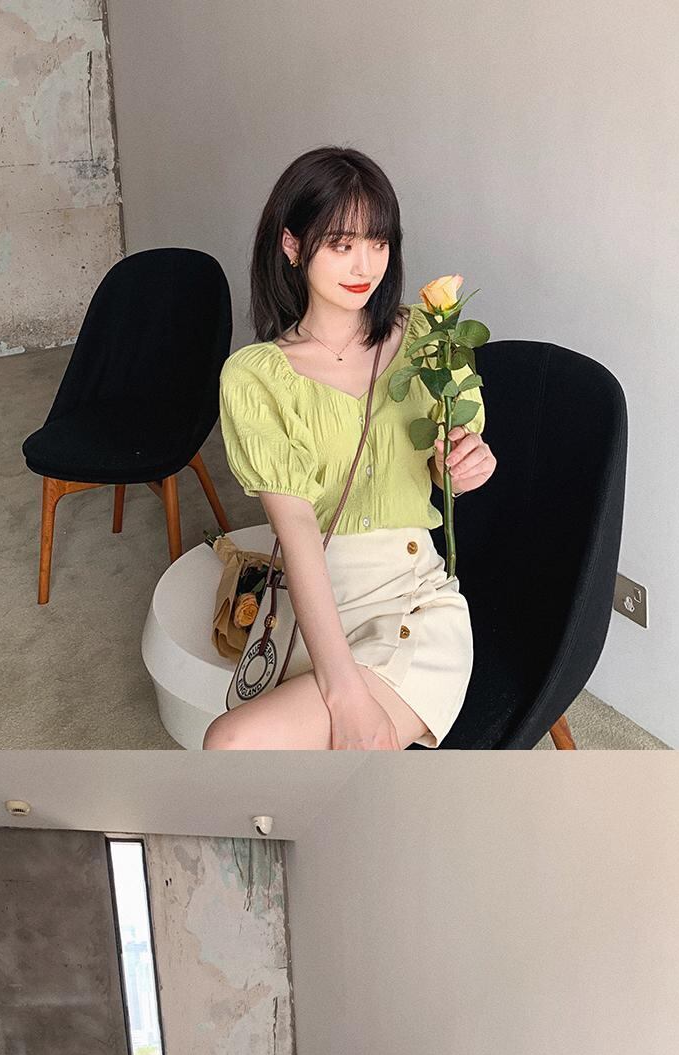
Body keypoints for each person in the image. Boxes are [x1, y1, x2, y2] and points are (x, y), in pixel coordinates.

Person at [204, 146, 495, 754]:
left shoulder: (429, 340)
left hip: (411, 600)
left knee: (233, 743)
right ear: (292, 245)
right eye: (341, 244)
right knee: (244, 752)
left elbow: (450, 460)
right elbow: (297, 530)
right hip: (317, 602)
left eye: (379, 242)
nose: (366, 265)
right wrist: (343, 692)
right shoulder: (255, 377)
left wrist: (466, 463)